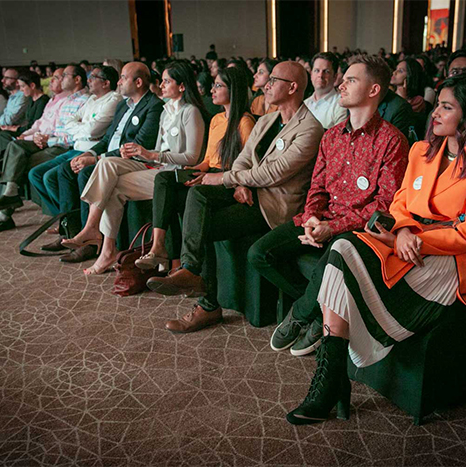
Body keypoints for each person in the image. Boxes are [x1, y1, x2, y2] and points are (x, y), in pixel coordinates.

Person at [285, 72, 466, 426]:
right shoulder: (421, 150)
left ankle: (326, 370)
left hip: (450, 260)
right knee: (343, 247)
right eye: (437, 106)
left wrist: (414, 238)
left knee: (342, 252)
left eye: (446, 108)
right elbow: (401, 204)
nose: (434, 114)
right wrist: (403, 232)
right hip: (402, 240)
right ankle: (328, 377)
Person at [146, 62, 325, 333]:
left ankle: (207, 304)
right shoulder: (266, 120)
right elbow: (242, 160)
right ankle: (191, 271)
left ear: (293, 87)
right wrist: (238, 181)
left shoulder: (310, 128)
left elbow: (272, 174)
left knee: (202, 218)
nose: (266, 84)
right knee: (198, 194)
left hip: (273, 208)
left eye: (274, 79)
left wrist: (227, 178)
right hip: (250, 194)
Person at [249, 55, 409, 357]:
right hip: (322, 218)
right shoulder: (332, 136)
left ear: (374, 90)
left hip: (356, 232)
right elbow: (317, 186)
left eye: (351, 80)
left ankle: (301, 312)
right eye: (343, 78)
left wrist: (331, 228)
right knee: (259, 253)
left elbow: (384, 204)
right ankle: (323, 308)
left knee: (337, 249)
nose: (341, 84)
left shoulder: (391, 141)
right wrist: (311, 217)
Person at [62, 61, 207, 274]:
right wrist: (148, 157)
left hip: (176, 174)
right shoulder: (167, 110)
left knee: (110, 175)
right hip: (159, 168)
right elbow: (158, 151)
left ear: (182, 87)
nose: (161, 84)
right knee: (109, 175)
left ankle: (95, 233)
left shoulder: (190, 112)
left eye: (167, 81)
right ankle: (105, 247)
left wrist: (150, 155)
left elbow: (192, 157)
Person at [135, 66, 257, 273]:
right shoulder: (217, 120)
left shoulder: (245, 122)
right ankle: (158, 247)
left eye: (218, 85)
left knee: (190, 191)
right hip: (210, 171)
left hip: (228, 179)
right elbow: (207, 160)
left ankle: (184, 265)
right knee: (165, 180)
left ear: (233, 90)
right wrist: (193, 171)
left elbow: (246, 164)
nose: (212, 90)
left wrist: (210, 176)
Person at [55, 62, 164, 263]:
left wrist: (95, 159)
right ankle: (72, 230)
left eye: (123, 77)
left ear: (138, 82)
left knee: (88, 172)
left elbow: (138, 145)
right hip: (109, 155)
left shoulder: (154, 106)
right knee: (66, 169)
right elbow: (106, 139)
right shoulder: (123, 105)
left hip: (130, 160)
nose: (119, 82)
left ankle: (90, 239)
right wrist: (88, 153)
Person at [26, 65, 123, 249]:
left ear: (106, 82)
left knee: (55, 175)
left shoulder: (113, 99)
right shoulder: (92, 99)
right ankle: (68, 222)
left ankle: (72, 229)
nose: (89, 80)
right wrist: (83, 128)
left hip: (88, 149)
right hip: (77, 146)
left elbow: (92, 130)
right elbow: (69, 122)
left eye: (93, 77)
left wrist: (82, 128)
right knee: (36, 175)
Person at [0, 64, 90, 234]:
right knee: (13, 148)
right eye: (58, 77)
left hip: (63, 146)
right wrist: (35, 136)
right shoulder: (63, 100)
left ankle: (5, 211)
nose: (57, 80)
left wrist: (45, 138)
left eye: (61, 77)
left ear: (77, 79)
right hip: (50, 141)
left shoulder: (83, 100)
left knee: (19, 164)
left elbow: (73, 133)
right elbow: (43, 125)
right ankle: (8, 202)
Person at [0, 71, 50, 183]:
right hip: (25, 130)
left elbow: (35, 125)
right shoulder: (30, 99)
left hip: (32, 133)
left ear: (32, 85)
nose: (21, 89)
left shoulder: (43, 100)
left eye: (23, 86)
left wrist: (14, 129)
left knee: (1, 135)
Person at [304, 52, 348, 129]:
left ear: (335, 76)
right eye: (317, 71)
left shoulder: (341, 104)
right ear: (311, 75)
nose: (320, 75)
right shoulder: (305, 104)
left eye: (326, 71)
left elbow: (338, 137)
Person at [391, 58, 432, 140]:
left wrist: (402, 99)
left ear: (410, 75)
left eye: (401, 71)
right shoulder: (389, 93)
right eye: (396, 69)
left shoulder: (418, 101)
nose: (394, 73)